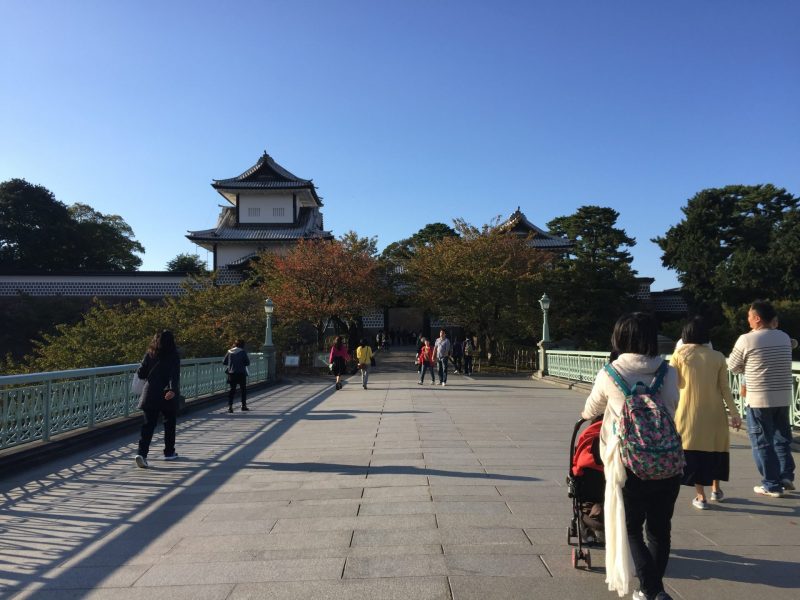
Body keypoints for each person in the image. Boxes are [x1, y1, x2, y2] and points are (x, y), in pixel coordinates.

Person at [582, 313, 680, 600]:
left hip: (628, 461)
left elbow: (590, 409)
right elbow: (673, 405)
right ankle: (650, 589)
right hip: (667, 459)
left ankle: (652, 590)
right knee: (660, 530)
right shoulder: (669, 371)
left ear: (619, 338)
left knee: (631, 527)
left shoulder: (610, 373)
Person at [670, 317, 741, 509]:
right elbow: (725, 388)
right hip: (715, 411)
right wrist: (734, 413)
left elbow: (673, 386)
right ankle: (716, 490)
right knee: (715, 448)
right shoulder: (717, 356)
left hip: (687, 412)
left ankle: (701, 497)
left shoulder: (678, 356)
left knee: (694, 453)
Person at [727, 300, 795, 497]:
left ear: (757, 318)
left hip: (758, 398)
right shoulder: (784, 337)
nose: (747, 320)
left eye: (749, 316)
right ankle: (786, 476)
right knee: (781, 438)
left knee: (762, 442)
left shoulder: (746, 340)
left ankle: (771, 484)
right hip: (783, 396)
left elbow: (733, 366)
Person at [134, 330, 181, 468]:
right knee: (169, 423)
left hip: (150, 393)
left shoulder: (150, 354)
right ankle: (169, 452)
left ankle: (142, 454)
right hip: (167, 393)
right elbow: (174, 374)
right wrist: (172, 389)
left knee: (148, 425)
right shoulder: (174, 355)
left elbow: (142, 373)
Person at [223, 339, 250, 413]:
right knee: (243, 390)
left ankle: (230, 407)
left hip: (232, 373)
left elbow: (224, 362)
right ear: (242, 345)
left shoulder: (229, 351)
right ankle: (243, 406)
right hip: (241, 373)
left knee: (232, 390)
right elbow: (247, 363)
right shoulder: (243, 352)